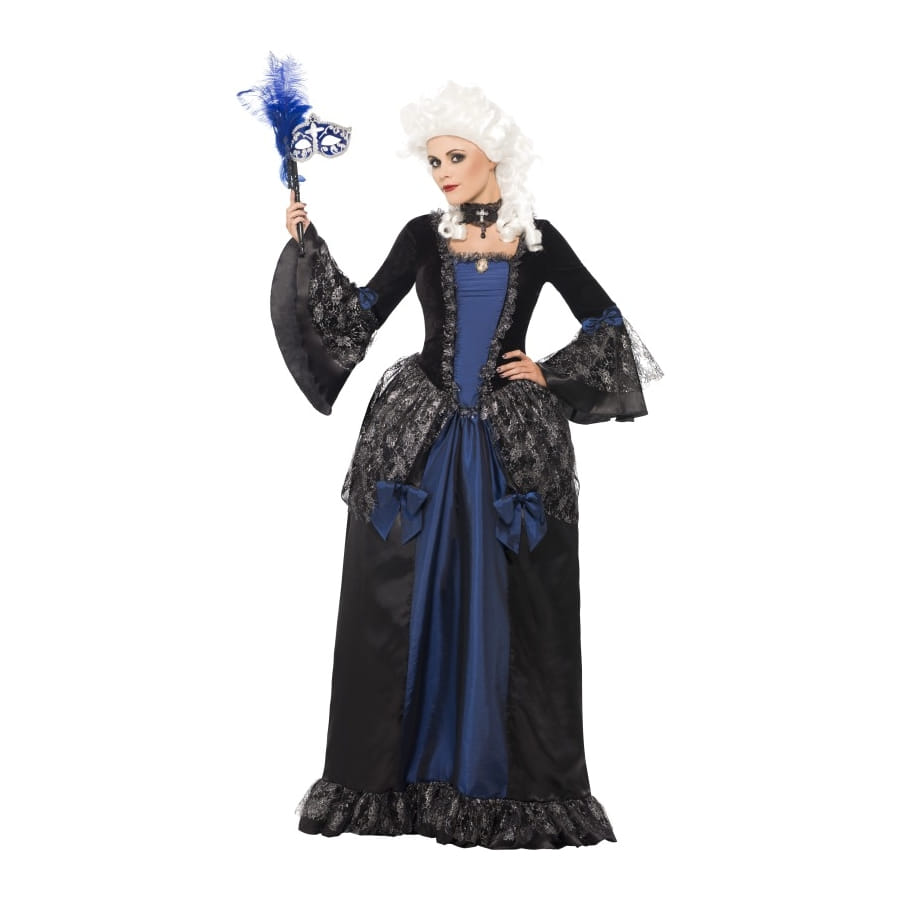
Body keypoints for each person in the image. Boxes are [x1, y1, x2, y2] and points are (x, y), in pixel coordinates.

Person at [271, 82, 663, 849]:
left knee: (509, 604)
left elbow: (607, 321)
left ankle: (501, 781)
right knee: (405, 597)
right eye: (433, 161)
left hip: (507, 449)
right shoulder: (423, 236)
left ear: (494, 154)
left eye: (455, 157)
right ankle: (396, 780)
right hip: (421, 445)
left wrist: (548, 372)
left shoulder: (538, 239)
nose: (443, 172)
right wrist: (308, 245)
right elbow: (359, 316)